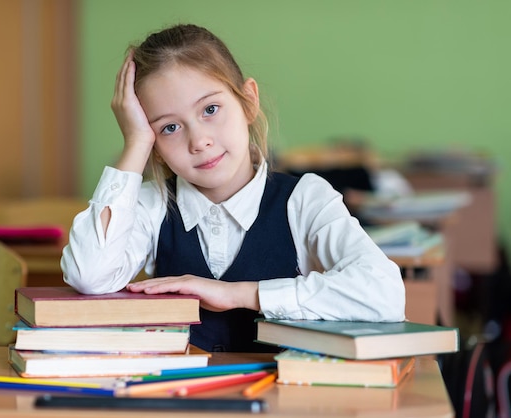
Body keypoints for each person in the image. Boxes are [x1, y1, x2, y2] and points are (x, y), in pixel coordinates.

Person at [61, 24, 405, 352]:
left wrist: (242, 295)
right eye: (168, 128)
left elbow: (384, 294)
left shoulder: (305, 199)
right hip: (182, 401)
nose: (199, 141)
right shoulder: (154, 204)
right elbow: (89, 275)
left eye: (210, 109)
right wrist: (135, 142)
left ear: (248, 101)